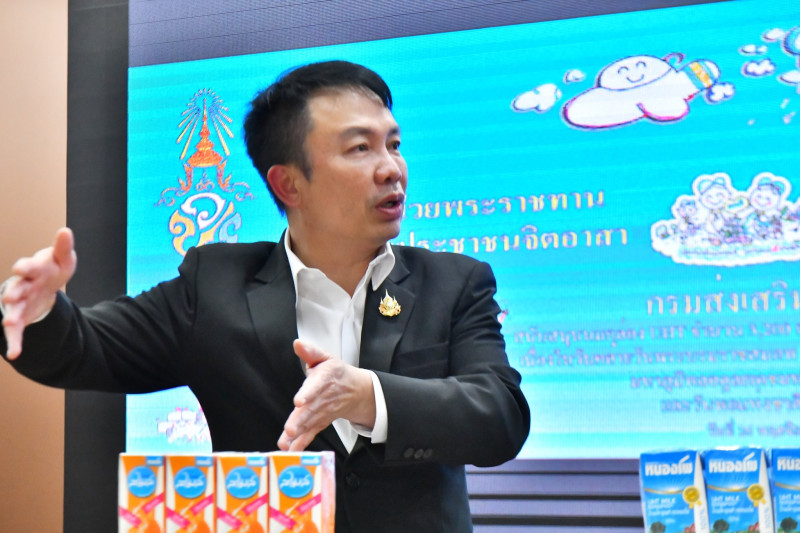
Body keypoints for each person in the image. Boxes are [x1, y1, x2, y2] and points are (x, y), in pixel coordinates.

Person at [1, 60, 530, 532]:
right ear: (288, 185)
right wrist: (38, 309)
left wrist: (368, 396)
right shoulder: (215, 285)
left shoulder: (453, 282)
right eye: (360, 148)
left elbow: (501, 416)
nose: (392, 168)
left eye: (393, 144)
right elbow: (87, 347)